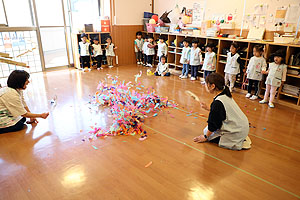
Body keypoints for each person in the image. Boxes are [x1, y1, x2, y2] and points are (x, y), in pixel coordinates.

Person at [193, 73, 251, 150]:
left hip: (237, 131)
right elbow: (222, 112)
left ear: (213, 86)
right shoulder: (225, 93)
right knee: (208, 130)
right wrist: (208, 108)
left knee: (207, 132)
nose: (205, 86)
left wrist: (205, 137)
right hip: (242, 127)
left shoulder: (217, 103)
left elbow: (214, 123)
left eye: (207, 84)